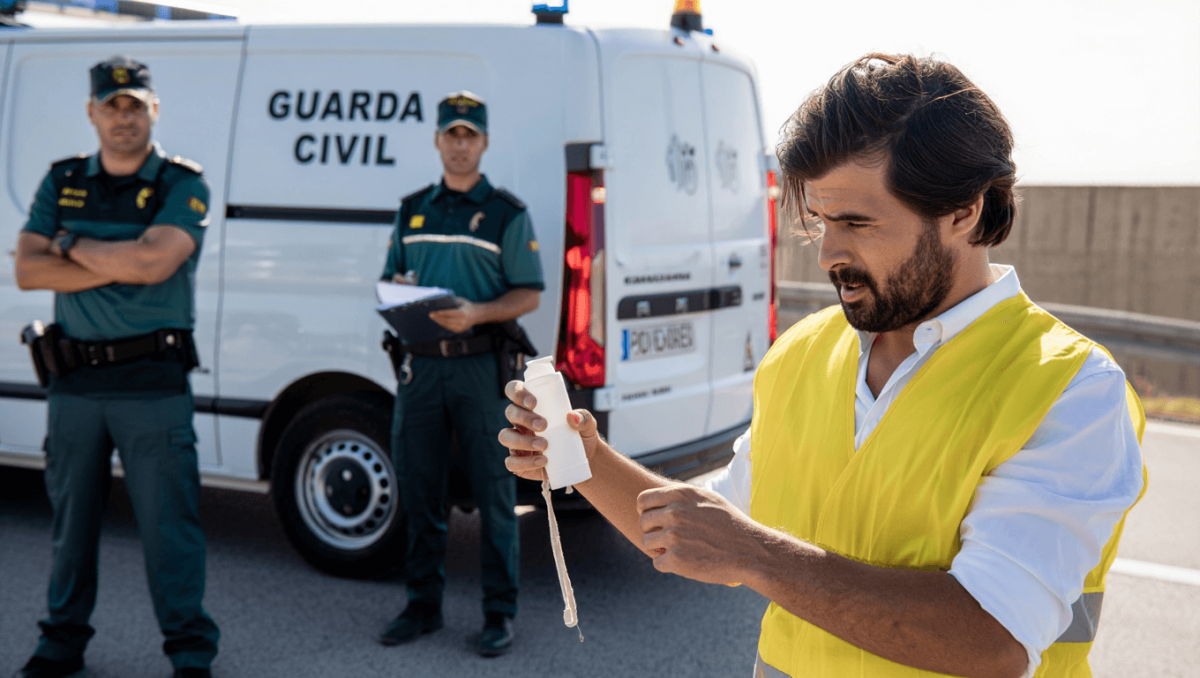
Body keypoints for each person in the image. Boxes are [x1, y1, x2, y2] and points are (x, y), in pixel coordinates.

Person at [501, 53, 1146, 678]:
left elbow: (993, 640)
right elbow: (702, 528)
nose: (829, 253)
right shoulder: (803, 353)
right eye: (820, 222)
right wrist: (582, 458)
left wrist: (755, 554)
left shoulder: (1068, 389)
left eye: (857, 223)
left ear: (964, 211)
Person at [11, 57, 219, 678]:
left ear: (153, 110)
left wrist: (70, 244)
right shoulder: (62, 180)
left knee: (168, 530)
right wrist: (121, 257)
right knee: (69, 529)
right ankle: (61, 643)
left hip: (151, 383)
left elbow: (156, 263)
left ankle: (188, 653)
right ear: (92, 112)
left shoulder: (182, 183)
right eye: (111, 104)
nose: (123, 116)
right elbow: (26, 268)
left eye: (134, 105)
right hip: (75, 385)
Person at [378, 91, 544, 657]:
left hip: (479, 369)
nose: (459, 143)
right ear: (437, 140)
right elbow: (390, 275)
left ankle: (499, 614)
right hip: (420, 369)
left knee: (495, 494)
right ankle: (422, 606)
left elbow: (529, 293)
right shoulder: (411, 208)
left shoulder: (505, 212)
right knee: (420, 492)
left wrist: (477, 311)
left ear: (484, 142)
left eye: (469, 134)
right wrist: (398, 294)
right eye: (451, 133)